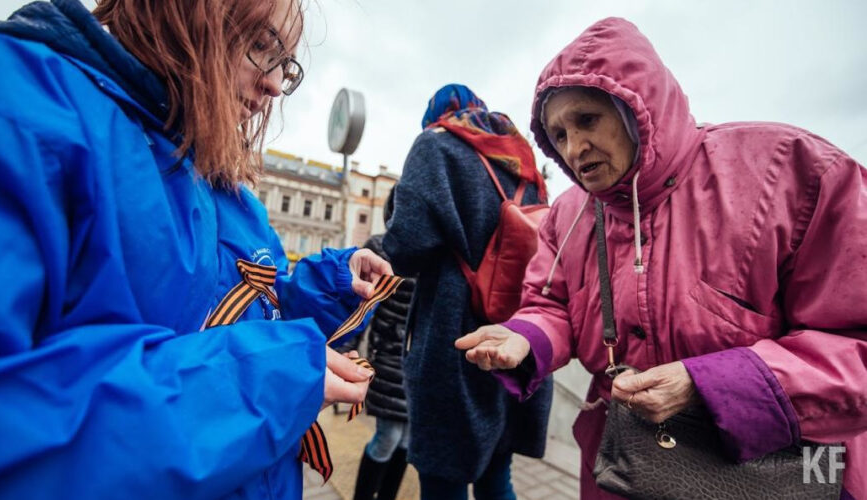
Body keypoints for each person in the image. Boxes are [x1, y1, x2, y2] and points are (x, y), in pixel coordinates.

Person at [0, 1, 391, 499]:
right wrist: (260, 381)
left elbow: (244, 306)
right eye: (261, 47)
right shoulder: (13, 103)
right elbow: (3, 433)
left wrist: (330, 282)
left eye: (287, 65)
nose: (276, 85)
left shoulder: (225, 180)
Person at [455, 17, 867, 499]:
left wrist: (708, 384)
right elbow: (553, 305)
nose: (574, 147)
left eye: (587, 119)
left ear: (639, 109)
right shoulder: (567, 213)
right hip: (627, 472)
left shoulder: (792, 172)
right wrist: (525, 337)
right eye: (559, 134)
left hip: (773, 476)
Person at [382, 84, 553, 500]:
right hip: (517, 335)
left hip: (454, 344)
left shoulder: (435, 145)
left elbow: (406, 249)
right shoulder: (520, 157)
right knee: (498, 476)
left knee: (445, 480)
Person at [348, 187, 415, 500]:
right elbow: (360, 308)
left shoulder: (431, 254)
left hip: (418, 361)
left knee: (406, 441)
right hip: (388, 357)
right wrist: (349, 353)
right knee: (388, 436)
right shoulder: (378, 247)